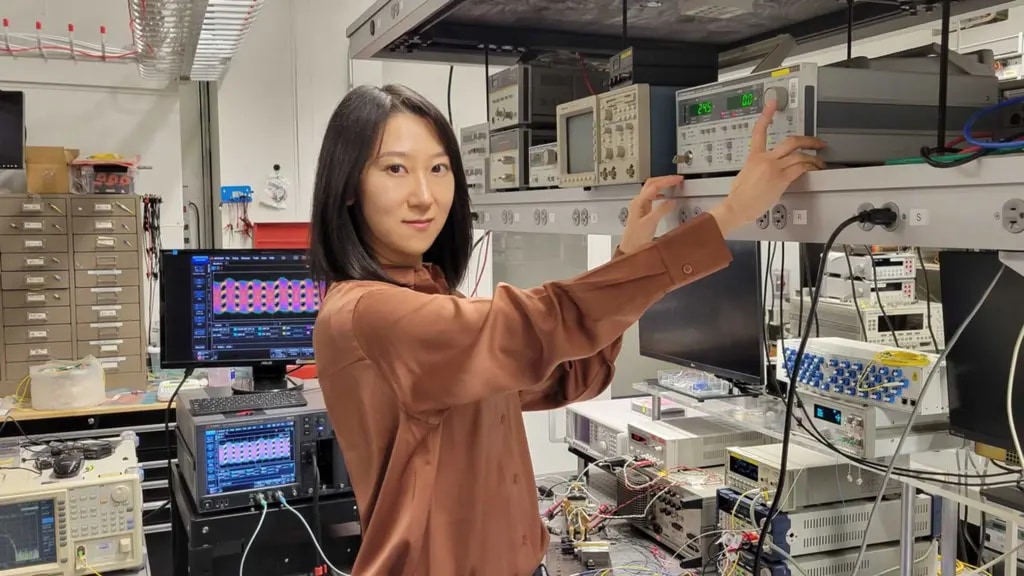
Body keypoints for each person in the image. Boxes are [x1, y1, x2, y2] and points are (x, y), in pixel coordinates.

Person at [309, 84, 826, 575]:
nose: (424, 195)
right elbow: (540, 323)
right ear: (349, 186)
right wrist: (730, 214)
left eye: (439, 168)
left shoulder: (430, 299)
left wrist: (630, 259)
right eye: (395, 169)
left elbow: (569, 374)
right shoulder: (369, 314)